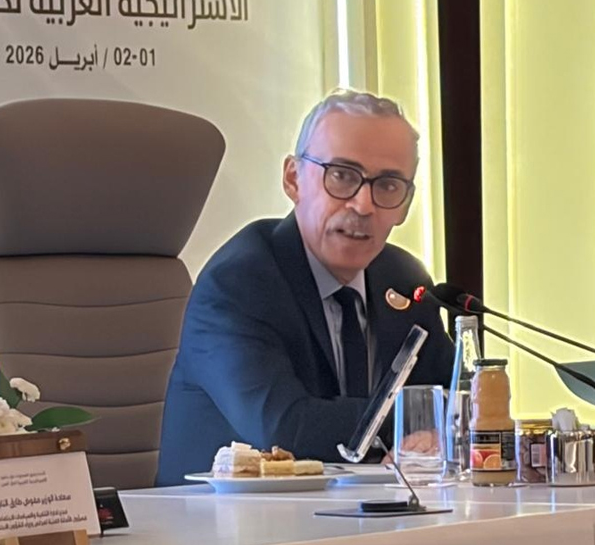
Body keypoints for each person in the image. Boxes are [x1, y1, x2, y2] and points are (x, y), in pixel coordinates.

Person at [157, 90, 455, 485]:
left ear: (405, 204)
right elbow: (285, 426)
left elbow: (455, 397)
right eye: (342, 176)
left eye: (387, 185)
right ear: (293, 179)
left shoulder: (403, 280)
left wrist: (443, 431)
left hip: (358, 510)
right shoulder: (239, 282)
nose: (363, 205)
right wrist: (412, 426)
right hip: (227, 517)